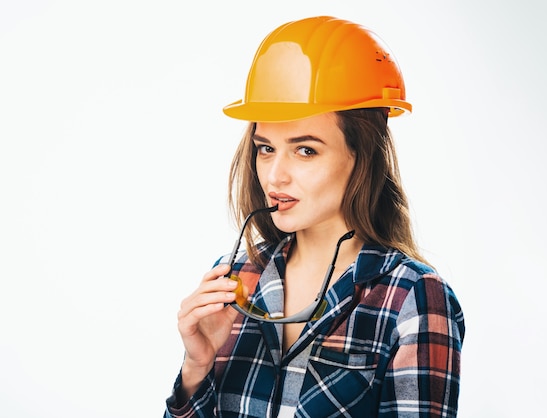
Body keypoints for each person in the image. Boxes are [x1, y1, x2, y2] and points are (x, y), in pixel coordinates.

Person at [164, 15, 465, 418]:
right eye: (266, 148)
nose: (275, 175)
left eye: (305, 150)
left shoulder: (412, 298)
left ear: (361, 157)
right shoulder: (234, 280)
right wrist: (195, 368)